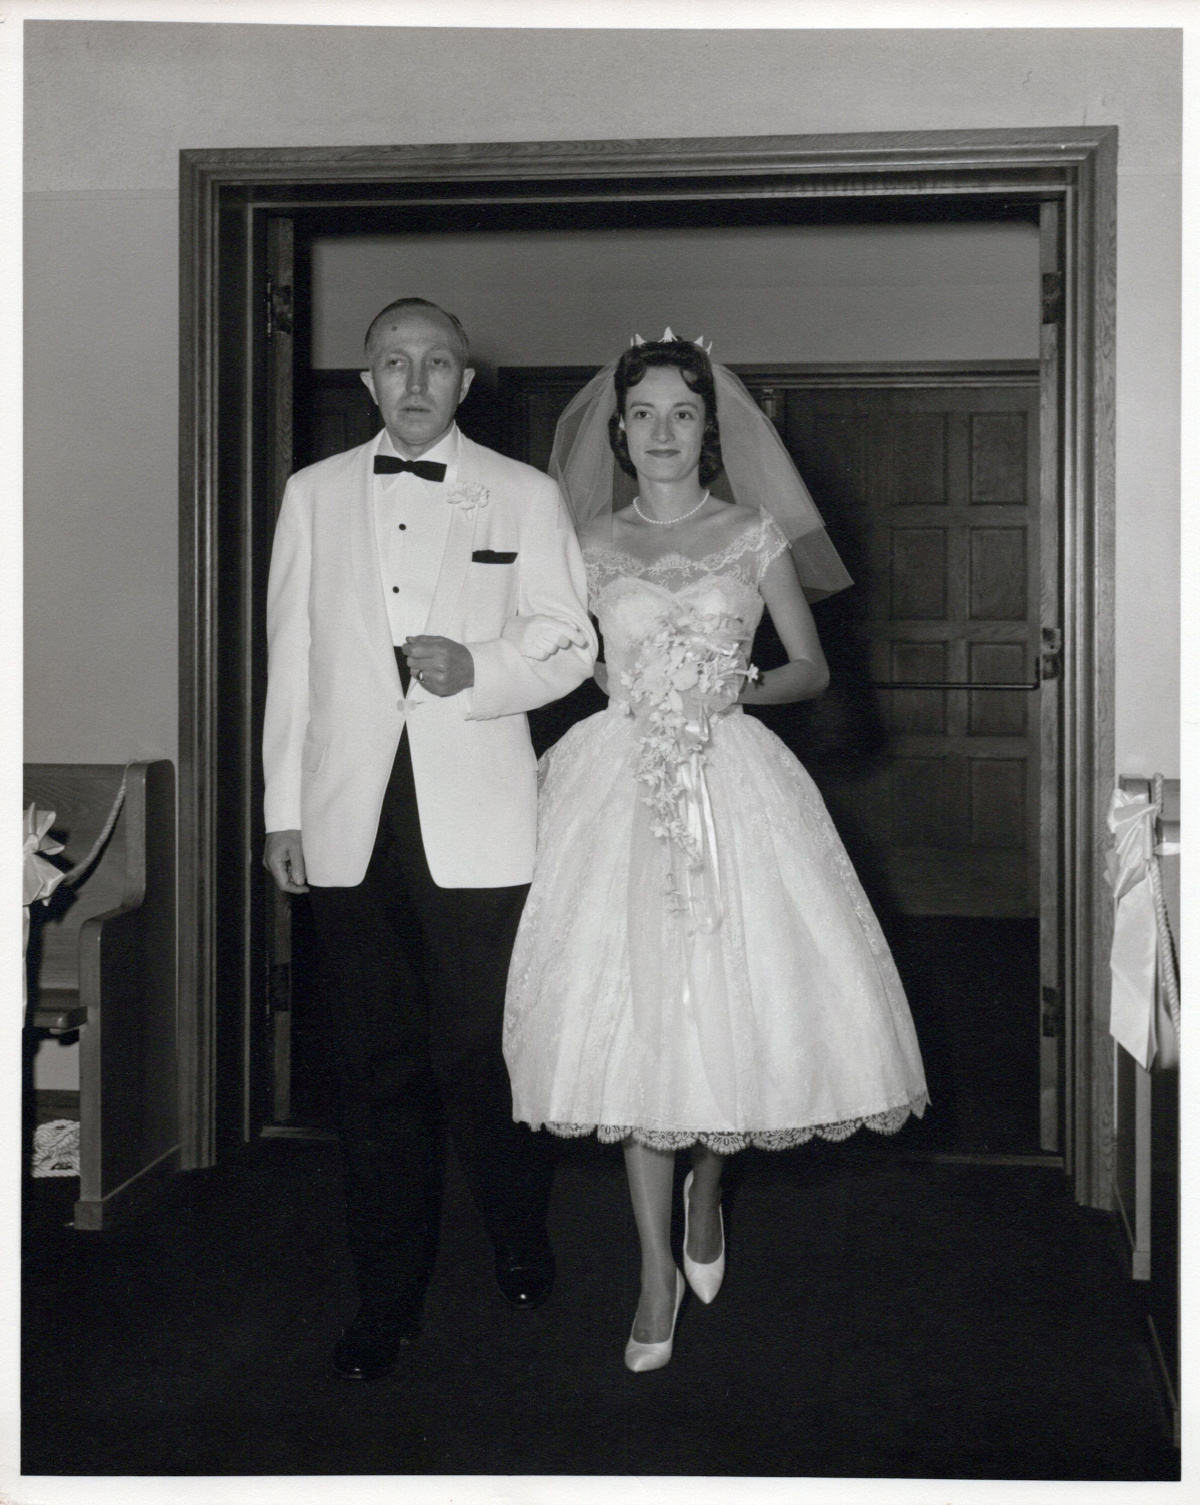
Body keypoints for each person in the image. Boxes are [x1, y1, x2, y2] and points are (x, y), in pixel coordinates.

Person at [503, 332, 928, 1372]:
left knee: (731, 1006)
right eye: (642, 413)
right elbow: (559, 657)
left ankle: (708, 1185)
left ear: (711, 427)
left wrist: (724, 688)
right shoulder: (585, 541)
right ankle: (653, 1273)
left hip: (730, 777)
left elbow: (812, 669)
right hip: (615, 791)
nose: (661, 431)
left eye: (681, 413)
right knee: (640, 1020)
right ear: (617, 429)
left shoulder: (754, 535)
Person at [262, 297, 596, 1381]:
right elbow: (291, 667)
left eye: (437, 361)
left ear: (467, 379)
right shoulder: (311, 495)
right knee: (374, 1071)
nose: (415, 379)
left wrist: (484, 669)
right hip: (351, 824)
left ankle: (518, 1228)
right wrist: (283, 811)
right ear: (367, 383)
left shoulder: (528, 492)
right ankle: (384, 1301)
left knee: (483, 1060)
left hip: (483, 826)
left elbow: (569, 645)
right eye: (394, 362)